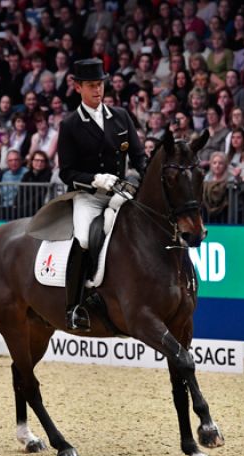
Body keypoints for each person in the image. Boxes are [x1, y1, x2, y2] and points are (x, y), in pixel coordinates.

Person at [57, 58, 147, 331]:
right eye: (92, 86)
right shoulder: (70, 125)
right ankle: (74, 306)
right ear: (78, 88)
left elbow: (139, 156)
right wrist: (95, 180)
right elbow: (67, 173)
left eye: (100, 85)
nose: (98, 90)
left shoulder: (120, 116)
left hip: (122, 192)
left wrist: (135, 178)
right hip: (90, 196)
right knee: (84, 238)